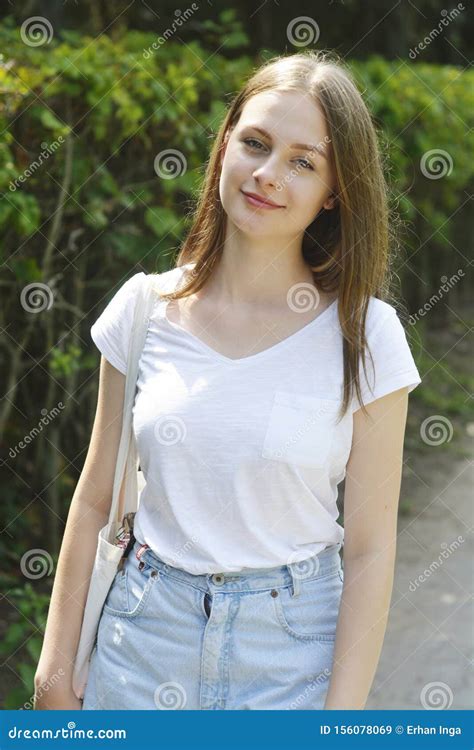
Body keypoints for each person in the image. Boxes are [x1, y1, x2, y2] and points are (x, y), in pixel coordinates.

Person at [34, 50, 422, 711]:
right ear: (225, 148)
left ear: (335, 192)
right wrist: (53, 671)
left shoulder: (367, 335)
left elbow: (369, 549)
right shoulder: (144, 310)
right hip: (140, 646)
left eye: (303, 161)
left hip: (292, 659)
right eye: (256, 143)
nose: (269, 174)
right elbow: (96, 499)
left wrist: (341, 718)